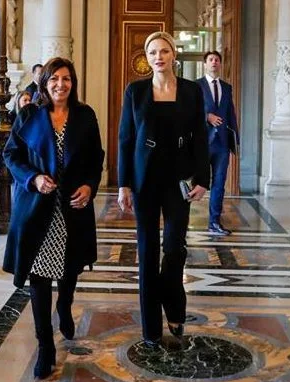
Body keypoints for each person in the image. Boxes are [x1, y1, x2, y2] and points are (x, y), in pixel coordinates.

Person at [3, 57, 105, 379]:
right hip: (38, 208)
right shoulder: (30, 115)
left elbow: (95, 158)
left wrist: (90, 185)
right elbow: (11, 154)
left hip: (73, 208)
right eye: (55, 79)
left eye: (67, 79)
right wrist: (32, 178)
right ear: (45, 83)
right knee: (40, 275)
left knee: (69, 268)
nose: (61, 85)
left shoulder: (85, 116)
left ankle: (65, 304)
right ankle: (45, 345)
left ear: (73, 83)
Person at [117, 31, 209, 348]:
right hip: (144, 181)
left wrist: (203, 178)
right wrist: (124, 184)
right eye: (153, 52)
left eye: (164, 51)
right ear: (147, 57)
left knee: (173, 247)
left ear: (174, 55)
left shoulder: (191, 91)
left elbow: (200, 135)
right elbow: (125, 139)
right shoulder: (135, 91)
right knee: (147, 252)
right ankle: (151, 328)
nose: (159, 57)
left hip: (179, 181)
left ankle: (175, 306)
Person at [196, 50, 239, 236]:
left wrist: (234, 140)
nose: (214, 62)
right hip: (202, 143)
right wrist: (207, 116)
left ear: (220, 64)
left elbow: (231, 114)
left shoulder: (227, 88)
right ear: (205, 64)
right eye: (211, 60)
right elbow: (190, 112)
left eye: (217, 60)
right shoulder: (196, 86)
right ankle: (179, 222)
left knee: (219, 184)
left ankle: (214, 222)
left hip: (221, 144)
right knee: (196, 183)